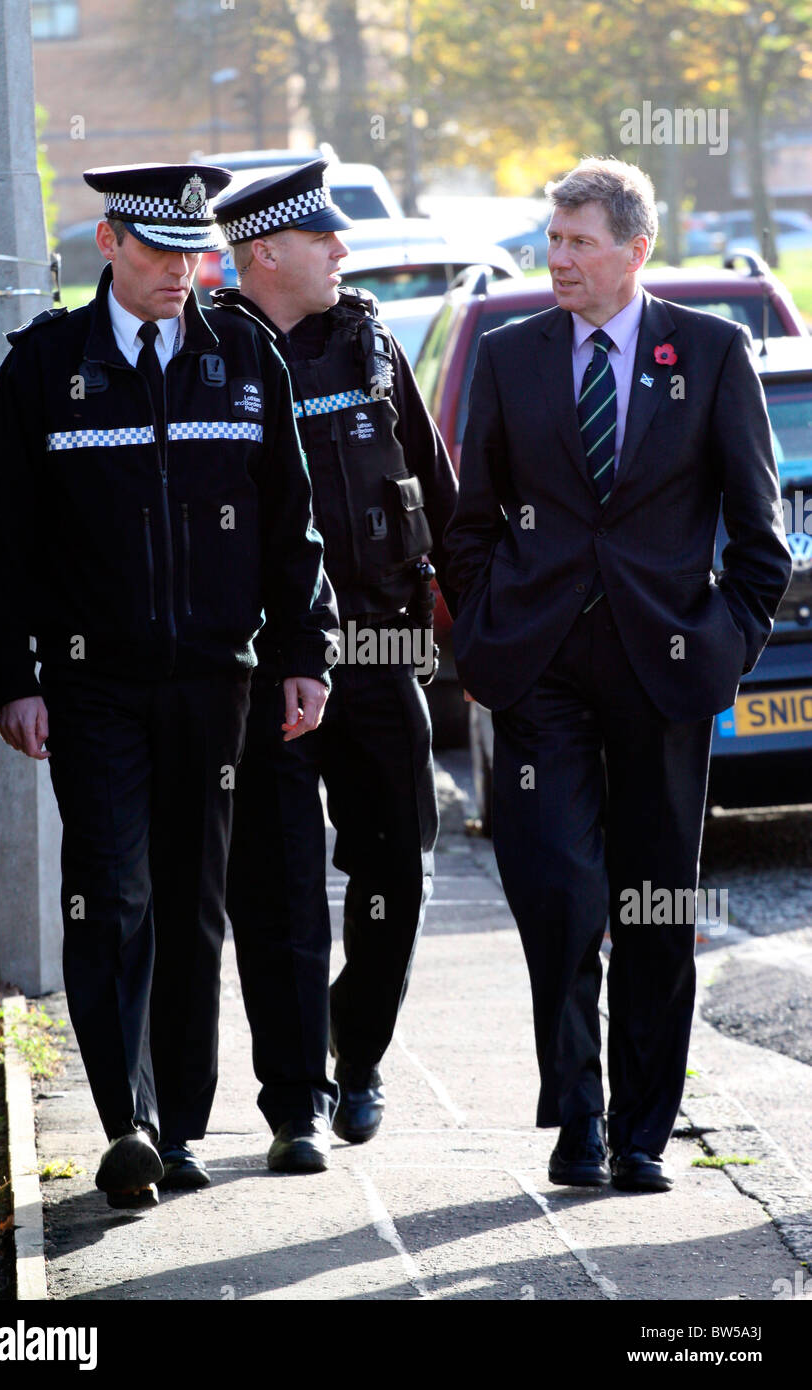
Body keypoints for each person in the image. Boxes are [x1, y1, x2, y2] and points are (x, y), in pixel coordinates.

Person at [0, 163, 337, 1208]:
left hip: (216, 680)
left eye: (195, 251)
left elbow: (289, 526)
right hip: (91, 687)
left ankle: (181, 1128)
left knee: (192, 902)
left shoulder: (244, 355)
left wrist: (304, 652)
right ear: (109, 246)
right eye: (162, 251)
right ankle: (125, 1121)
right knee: (112, 895)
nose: (184, 271)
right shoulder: (45, 368)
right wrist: (14, 677)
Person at [445, 157, 791, 1194]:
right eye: (551, 242)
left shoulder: (713, 353)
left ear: (632, 249)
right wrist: (491, 630)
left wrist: (722, 641)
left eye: (577, 243)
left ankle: (641, 1128)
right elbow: (468, 526)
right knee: (558, 889)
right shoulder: (510, 358)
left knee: (649, 901)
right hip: (540, 668)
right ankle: (578, 1115)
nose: (558, 260)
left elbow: (757, 535)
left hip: (664, 666)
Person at [211, 160, 459, 1173]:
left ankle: (354, 1053)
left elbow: (440, 501)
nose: (343, 251)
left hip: (379, 651)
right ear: (265, 252)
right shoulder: (214, 360)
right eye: (324, 238)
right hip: (268, 673)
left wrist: (483, 633)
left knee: (395, 871)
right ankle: (292, 1106)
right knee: (276, 892)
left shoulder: (367, 342)